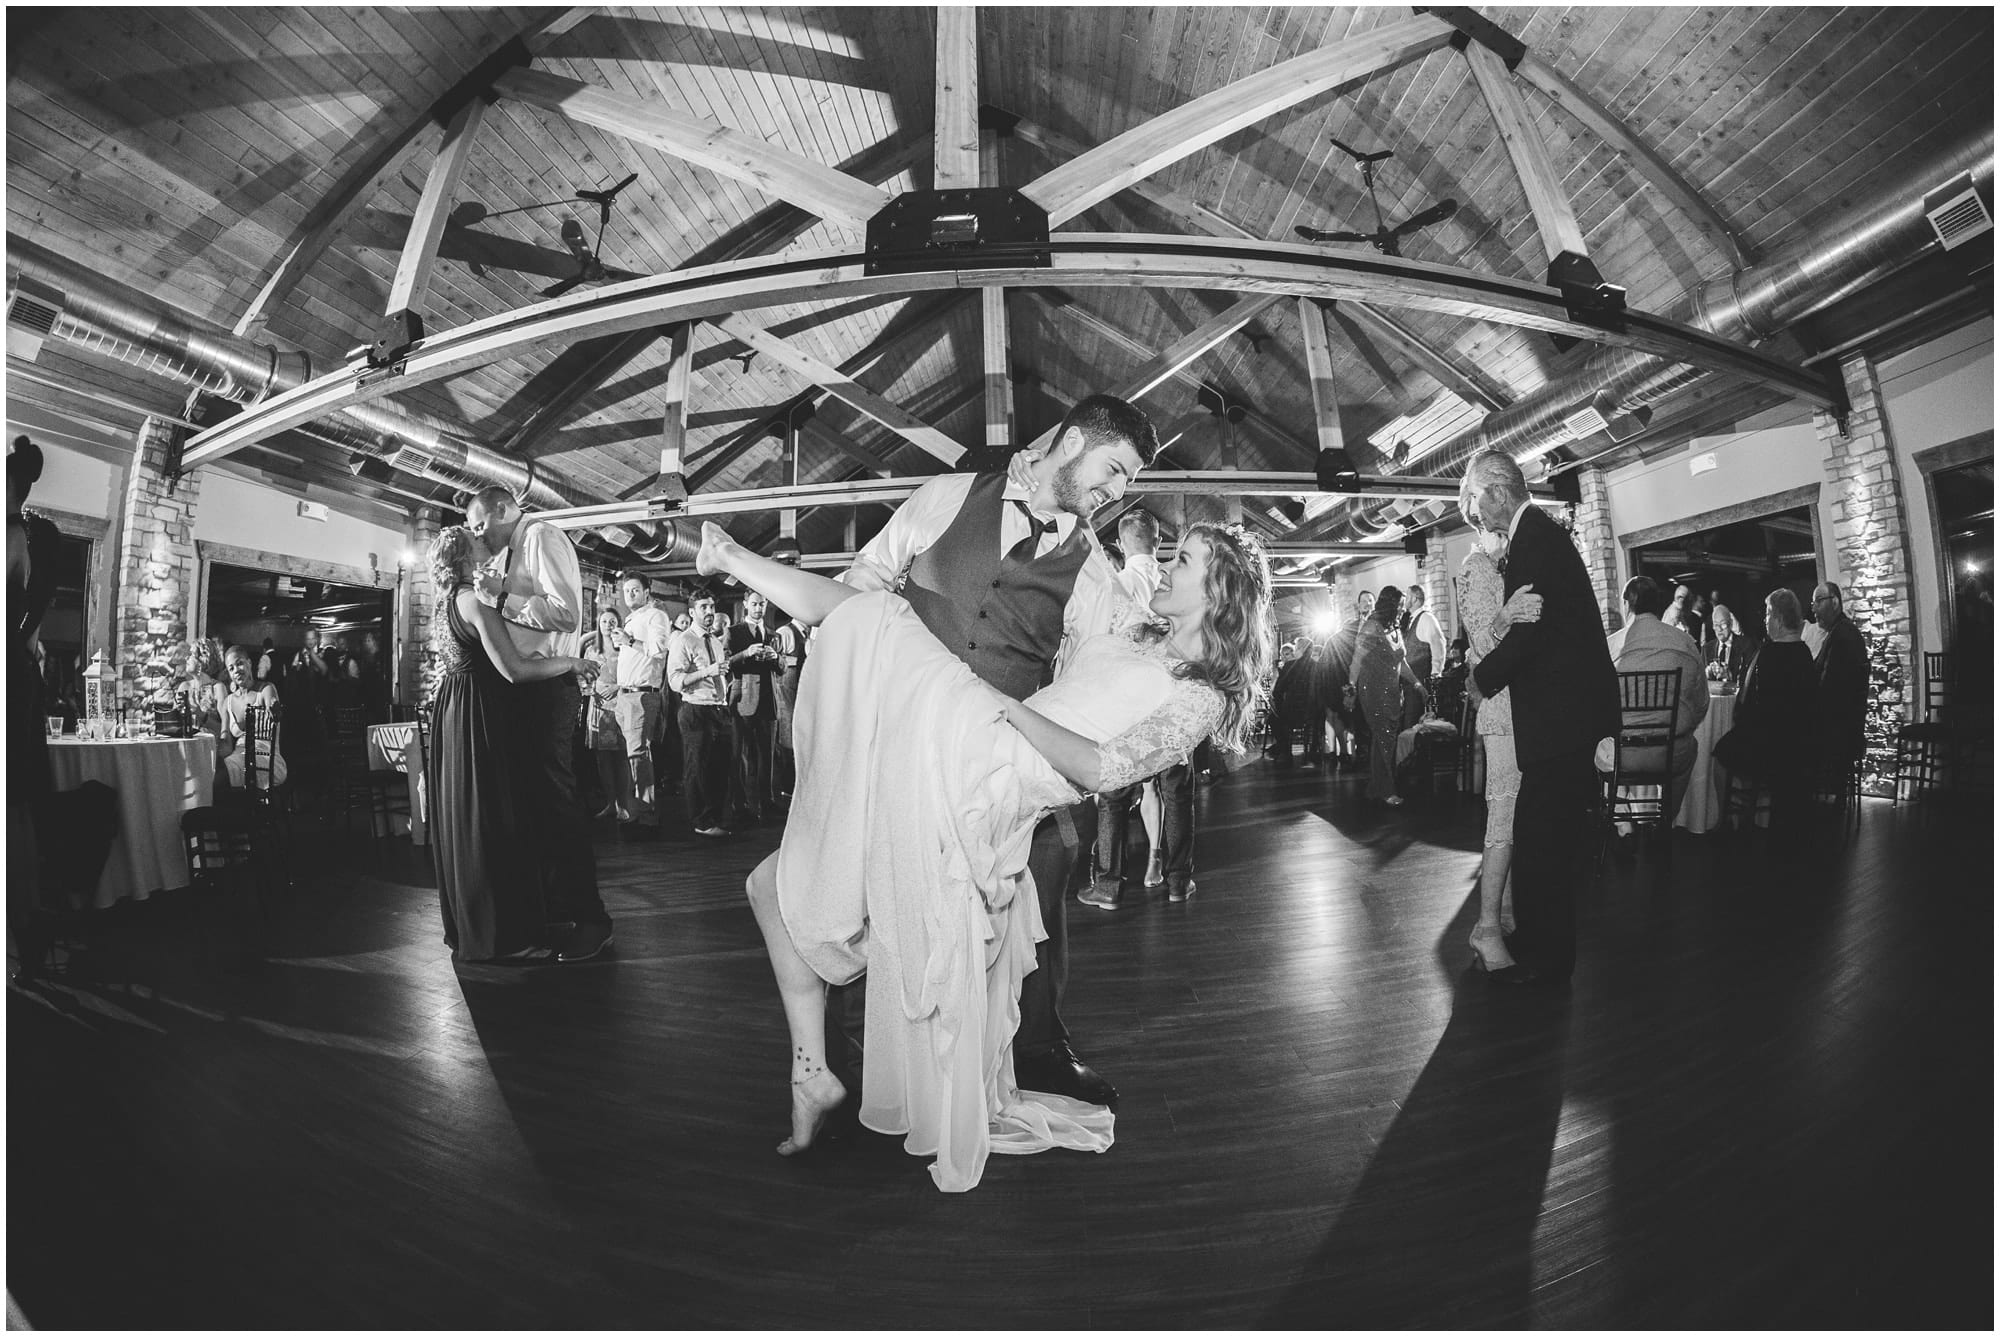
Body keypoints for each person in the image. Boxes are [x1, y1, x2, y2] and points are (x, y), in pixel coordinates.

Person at [698, 517, 1272, 1190]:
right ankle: (812, 1075)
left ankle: (733, 553)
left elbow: (1099, 767)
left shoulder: (1202, 695)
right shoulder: (1133, 626)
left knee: (879, 622)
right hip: (977, 746)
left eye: (1187, 558)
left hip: (988, 775)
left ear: (1220, 588)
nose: (1169, 565)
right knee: (773, 883)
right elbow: (1083, 558)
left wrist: (1009, 708)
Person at [824, 393, 1161, 1118]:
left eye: (1126, 485)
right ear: (1069, 442)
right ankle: (847, 1050)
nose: (1113, 493)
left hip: (992, 758)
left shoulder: (1096, 573)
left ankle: (1036, 1042)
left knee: (1052, 854)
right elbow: (863, 580)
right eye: (1112, 470)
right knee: (856, 876)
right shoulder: (947, 496)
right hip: (896, 735)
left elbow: (1089, 679)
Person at [1463, 450, 1620, 987]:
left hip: (1561, 720)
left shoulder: (1533, 539)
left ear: (1498, 492)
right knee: (1541, 840)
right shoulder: (1538, 537)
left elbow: (1530, 634)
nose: (1478, 515)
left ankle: (1549, 963)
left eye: (1478, 500)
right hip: (1565, 718)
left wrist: (1480, 680)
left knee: (1543, 845)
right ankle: (1539, 947)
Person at [424, 527, 601, 963]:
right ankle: (505, 936)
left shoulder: (442, 605)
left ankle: (473, 926)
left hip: (453, 709)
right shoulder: (474, 605)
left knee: (466, 817)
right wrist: (573, 662)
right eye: (476, 540)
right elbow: (516, 670)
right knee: (490, 818)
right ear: (465, 558)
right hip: (479, 711)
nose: (484, 543)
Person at [465, 485, 611, 964]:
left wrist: (500, 599)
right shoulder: (510, 551)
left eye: (479, 523)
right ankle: (554, 911)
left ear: (504, 509)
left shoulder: (543, 537)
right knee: (533, 806)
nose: (476, 533)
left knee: (557, 800)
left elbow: (566, 612)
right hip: (520, 691)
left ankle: (593, 920)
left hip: (548, 689)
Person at [1080, 507, 1196, 907]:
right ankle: (1179, 881)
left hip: (1127, 706)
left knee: (1113, 793)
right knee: (1176, 794)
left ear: (1121, 542)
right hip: (1173, 702)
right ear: (1158, 540)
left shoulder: (1114, 585)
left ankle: (1109, 886)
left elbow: (1097, 645)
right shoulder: (1172, 582)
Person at [1457, 519, 1527, 977]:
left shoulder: (1510, 565)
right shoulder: (1475, 568)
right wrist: (1508, 614)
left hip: (1523, 706)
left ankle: (1502, 913)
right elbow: (1480, 643)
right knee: (1503, 815)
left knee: (1514, 814)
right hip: (1501, 707)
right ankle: (1485, 927)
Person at [1595, 576, 1710, 828]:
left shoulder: (1610, 647)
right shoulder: (1686, 644)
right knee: (1690, 746)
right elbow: (1702, 703)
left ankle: (1623, 824)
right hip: (1671, 754)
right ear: (1659, 606)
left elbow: (1595, 707)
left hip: (1624, 756)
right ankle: (1664, 819)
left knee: (1600, 748)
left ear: (1626, 605)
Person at [1714, 589, 1820, 831]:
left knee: (1720, 753)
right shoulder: (1806, 654)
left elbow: (1744, 706)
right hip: (1799, 745)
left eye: (1768, 613)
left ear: (1779, 618)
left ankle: (1728, 820)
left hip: (1768, 746)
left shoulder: (1766, 655)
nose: (1765, 619)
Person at [667, 591, 732, 838]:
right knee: (698, 768)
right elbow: (675, 681)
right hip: (695, 709)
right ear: (692, 612)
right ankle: (701, 821)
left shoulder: (714, 641)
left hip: (718, 709)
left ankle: (716, 817)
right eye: (704, 607)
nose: (709, 611)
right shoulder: (684, 641)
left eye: (712, 606)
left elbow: (720, 672)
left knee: (719, 766)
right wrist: (707, 672)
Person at [1353, 586, 1426, 805]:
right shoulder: (1371, 627)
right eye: (1400, 605)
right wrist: (1349, 687)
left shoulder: (1393, 628)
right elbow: (1357, 659)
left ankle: (1378, 786)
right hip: (1373, 690)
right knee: (1384, 736)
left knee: (1385, 739)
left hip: (1393, 691)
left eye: (1404, 605)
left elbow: (1400, 661)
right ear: (1390, 606)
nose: (1403, 609)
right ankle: (1387, 790)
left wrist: (1416, 683)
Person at [616, 573, 674, 832]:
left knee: (638, 754)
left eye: (635, 590)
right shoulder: (631, 619)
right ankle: (633, 811)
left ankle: (647, 816)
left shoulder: (656, 616)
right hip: (624, 694)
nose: (630, 595)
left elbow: (659, 649)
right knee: (629, 756)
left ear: (647, 592)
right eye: (626, 590)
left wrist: (629, 641)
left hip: (641, 694)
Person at [726, 591, 781, 823]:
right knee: (743, 756)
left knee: (767, 756)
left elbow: (782, 669)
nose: (759, 608)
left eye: (762, 604)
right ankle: (742, 805)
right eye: (755, 604)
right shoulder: (734, 632)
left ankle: (766, 803)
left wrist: (775, 657)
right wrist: (746, 653)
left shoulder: (773, 634)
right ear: (746, 605)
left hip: (769, 700)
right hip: (743, 700)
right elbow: (726, 663)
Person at [1808, 582, 1869, 774]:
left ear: (1834, 602)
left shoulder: (1843, 636)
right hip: (1840, 725)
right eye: (1812, 603)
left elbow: (1829, 690)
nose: (1813, 608)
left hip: (1838, 732)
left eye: (1818, 601)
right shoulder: (1838, 631)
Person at [581, 608, 632, 823]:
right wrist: (589, 688)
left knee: (622, 757)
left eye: (612, 621)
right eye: (604, 621)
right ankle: (610, 803)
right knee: (603, 759)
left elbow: (634, 674)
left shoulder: (626, 649)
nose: (608, 625)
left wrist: (618, 687)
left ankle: (624, 803)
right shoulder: (592, 650)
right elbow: (583, 676)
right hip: (599, 708)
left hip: (620, 704)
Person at [216, 644, 286, 791]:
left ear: (249, 663)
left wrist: (273, 706)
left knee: (220, 776)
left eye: (240, 663)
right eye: (231, 668)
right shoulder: (227, 702)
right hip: (238, 757)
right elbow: (227, 746)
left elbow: (273, 706)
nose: (236, 671)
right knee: (211, 770)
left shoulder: (266, 689)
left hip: (266, 759)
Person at [770, 610, 809, 806]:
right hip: (786, 687)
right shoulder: (785, 632)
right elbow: (773, 658)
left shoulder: (806, 633)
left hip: (801, 687)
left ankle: (796, 784)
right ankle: (786, 787)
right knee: (787, 734)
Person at [1401, 583, 1445, 686]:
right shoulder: (1409, 620)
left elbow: (1438, 645)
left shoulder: (1427, 618)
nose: (1405, 600)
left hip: (1421, 680)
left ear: (1414, 599)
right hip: (1410, 682)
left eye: (1407, 596)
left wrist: (1435, 674)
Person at [1707, 602, 1750, 686]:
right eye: (1716, 625)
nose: (1719, 629)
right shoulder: (1707, 649)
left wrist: (1729, 675)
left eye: (1723, 624)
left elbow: (1748, 681)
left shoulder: (1745, 645)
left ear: (1730, 624)